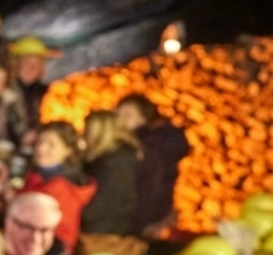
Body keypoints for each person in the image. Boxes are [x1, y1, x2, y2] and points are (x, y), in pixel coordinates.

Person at [116, 94, 190, 237]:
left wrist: (138, 226)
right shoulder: (145, 145)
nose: (120, 120)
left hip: (146, 220)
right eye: (117, 114)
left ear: (143, 119)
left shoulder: (148, 149)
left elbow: (150, 189)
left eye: (127, 115)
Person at [17, 121, 95, 253]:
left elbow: (61, 236)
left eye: (51, 144)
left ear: (68, 150)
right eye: (39, 142)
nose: (41, 148)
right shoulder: (39, 176)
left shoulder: (62, 188)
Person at [79, 110, 143, 236]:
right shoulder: (108, 159)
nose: (84, 135)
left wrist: (78, 214)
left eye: (88, 131)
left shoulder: (115, 163)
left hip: (101, 230)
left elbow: (105, 200)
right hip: (102, 227)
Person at [8, 36, 56, 128]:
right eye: (27, 62)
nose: (33, 68)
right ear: (15, 64)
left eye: (38, 63)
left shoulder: (45, 94)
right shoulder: (5, 92)